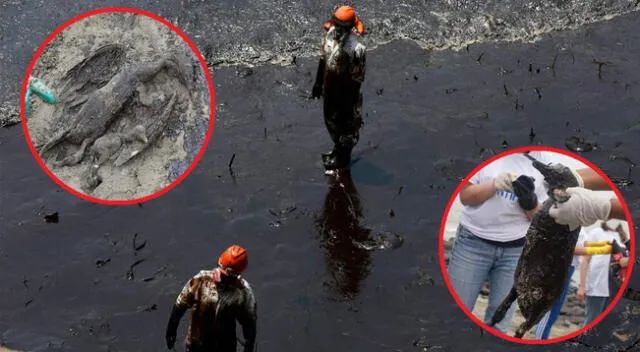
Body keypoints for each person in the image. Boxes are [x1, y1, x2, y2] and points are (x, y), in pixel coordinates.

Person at [447, 151, 588, 334]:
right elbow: (465, 197)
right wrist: (494, 185)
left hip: (517, 251)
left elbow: (545, 222)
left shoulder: (549, 164)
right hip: (472, 243)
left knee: (500, 324)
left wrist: (529, 201)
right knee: (456, 313)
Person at [165, 245, 257, 352]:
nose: (219, 276)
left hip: (225, 346)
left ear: (237, 275)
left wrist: (249, 346)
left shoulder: (243, 292)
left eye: (226, 276)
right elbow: (180, 305)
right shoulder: (200, 281)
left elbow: (249, 323)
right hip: (196, 344)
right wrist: (171, 329)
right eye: (220, 272)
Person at [311, 5, 366, 173]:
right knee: (330, 120)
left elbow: (357, 78)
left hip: (347, 93)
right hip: (330, 87)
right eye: (337, 25)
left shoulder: (357, 49)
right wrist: (318, 84)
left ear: (350, 27)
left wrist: (348, 103)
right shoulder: (328, 35)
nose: (338, 30)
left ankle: (343, 161)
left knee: (346, 127)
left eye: (343, 27)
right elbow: (323, 59)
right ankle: (337, 149)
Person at [578, 222, 623, 327]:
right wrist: (582, 286)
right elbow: (585, 260)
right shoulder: (596, 232)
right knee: (591, 322)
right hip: (597, 287)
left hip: (615, 288)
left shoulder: (621, 236)